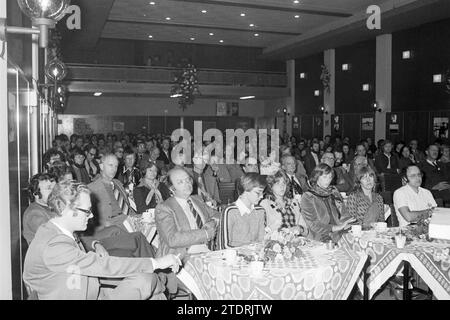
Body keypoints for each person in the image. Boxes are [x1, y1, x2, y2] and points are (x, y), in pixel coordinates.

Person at [23, 180, 181, 300]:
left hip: (92, 290)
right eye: (87, 211)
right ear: (65, 208)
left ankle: (161, 284)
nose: (91, 216)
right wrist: (156, 263)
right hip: (86, 294)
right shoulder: (54, 246)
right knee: (149, 282)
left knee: (149, 281)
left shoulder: (59, 229)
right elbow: (102, 265)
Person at [155, 167, 219, 257]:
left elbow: (217, 214)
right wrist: (205, 233)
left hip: (207, 252)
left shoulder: (197, 199)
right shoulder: (164, 208)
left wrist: (212, 222)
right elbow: (172, 239)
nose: (187, 184)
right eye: (180, 182)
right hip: (180, 257)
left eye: (188, 179)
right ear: (172, 188)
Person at [301, 164, 355, 242]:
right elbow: (313, 224)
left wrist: (349, 223)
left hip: (338, 233)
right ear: (316, 177)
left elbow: (344, 213)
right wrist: (335, 228)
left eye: (330, 177)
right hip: (320, 236)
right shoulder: (308, 196)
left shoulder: (333, 192)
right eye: (325, 177)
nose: (328, 180)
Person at [218, 173, 266, 249]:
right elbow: (223, 246)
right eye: (258, 193)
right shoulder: (230, 211)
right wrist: (249, 250)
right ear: (245, 191)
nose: (262, 196)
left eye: (262, 192)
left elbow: (262, 241)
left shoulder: (260, 210)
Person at [260, 170, 309, 236]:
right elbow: (262, 232)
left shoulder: (294, 203)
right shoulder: (265, 204)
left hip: (295, 241)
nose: (282, 186)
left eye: (284, 183)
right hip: (276, 243)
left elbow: (305, 230)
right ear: (271, 186)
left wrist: (300, 229)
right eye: (277, 183)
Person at [23, 173, 57, 244]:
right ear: (36, 194)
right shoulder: (34, 213)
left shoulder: (51, 207)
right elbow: (54, 237)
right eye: (49, 188)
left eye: (54, 188)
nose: (54, 192)